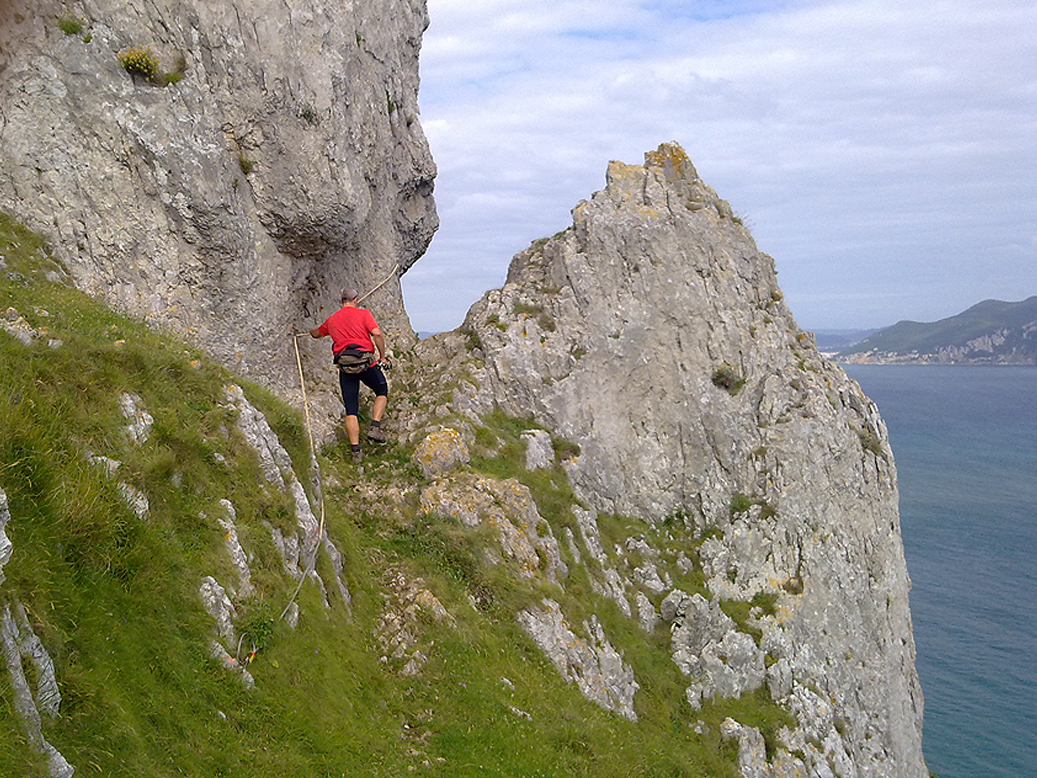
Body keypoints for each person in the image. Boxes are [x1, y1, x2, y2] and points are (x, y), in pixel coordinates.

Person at [309, 287, 389, 462]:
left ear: (341, 301)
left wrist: (309, 330)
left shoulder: (332, 320)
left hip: (345, 367)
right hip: (366, 363)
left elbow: (317, 334)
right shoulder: (364, 314)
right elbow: (377, 333)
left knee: (351, 409)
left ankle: (356, 452)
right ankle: (375, 426)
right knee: (382, 390)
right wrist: (382, 356)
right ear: (356, 299)